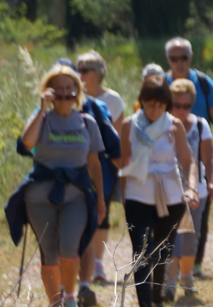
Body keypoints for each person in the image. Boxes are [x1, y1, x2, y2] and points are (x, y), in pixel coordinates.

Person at [6, 65, 106, 307]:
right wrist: (42, 109)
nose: (64, 95)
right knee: (49, 252)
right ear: (48, 91)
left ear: (77, 92)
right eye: (58, 90)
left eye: (69, 90)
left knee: (69, 247)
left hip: (76, 194)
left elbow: (95, 164)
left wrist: (101, 199)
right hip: (40, 195)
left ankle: (70, 300)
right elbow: (26, 144)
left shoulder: (88, 122)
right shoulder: (42, 119)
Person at [115, 75, 199, 307]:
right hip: (139, 194)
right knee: (141, 252)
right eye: (150, 105)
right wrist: (124, 199)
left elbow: (188, 161)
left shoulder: (174, 126)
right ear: (142, 102)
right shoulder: (129, 125)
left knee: (162, 252)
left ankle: (158, 302)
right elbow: (124, 164)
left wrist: (192, 187)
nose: (155, 110)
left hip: (170, 195)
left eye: (160, 105)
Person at [165, 37, 213, 278]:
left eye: (184, 58)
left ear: (190, 58)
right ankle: (171, 267)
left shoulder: (203, 82)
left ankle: (195, 263)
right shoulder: (161, 82)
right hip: (168, 162)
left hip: (200, 150)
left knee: (200, 211)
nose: (179, 63)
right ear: (168, 59)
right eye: (174, 58)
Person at [162, 78, 213, 301]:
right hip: (168, 189)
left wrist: (210, 182)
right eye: (177, 105)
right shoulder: (164, 125)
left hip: (196, 190)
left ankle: (187, 276)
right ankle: (170, 283)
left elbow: (208, 158)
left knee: (192, 237)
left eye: (186, 106)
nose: (181, 110)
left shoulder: (201, 125)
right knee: (173, 237)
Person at [76, 50, 125, 287]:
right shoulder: (70, 96)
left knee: (100, 211)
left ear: (99, 73)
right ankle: (80, 259)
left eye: (84, 70)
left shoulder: (113, 100)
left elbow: (117, 137)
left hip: (104, 161)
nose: (79, 74)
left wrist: (124, 170)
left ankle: (97, 262)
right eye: (78, 69)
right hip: (76, 159)